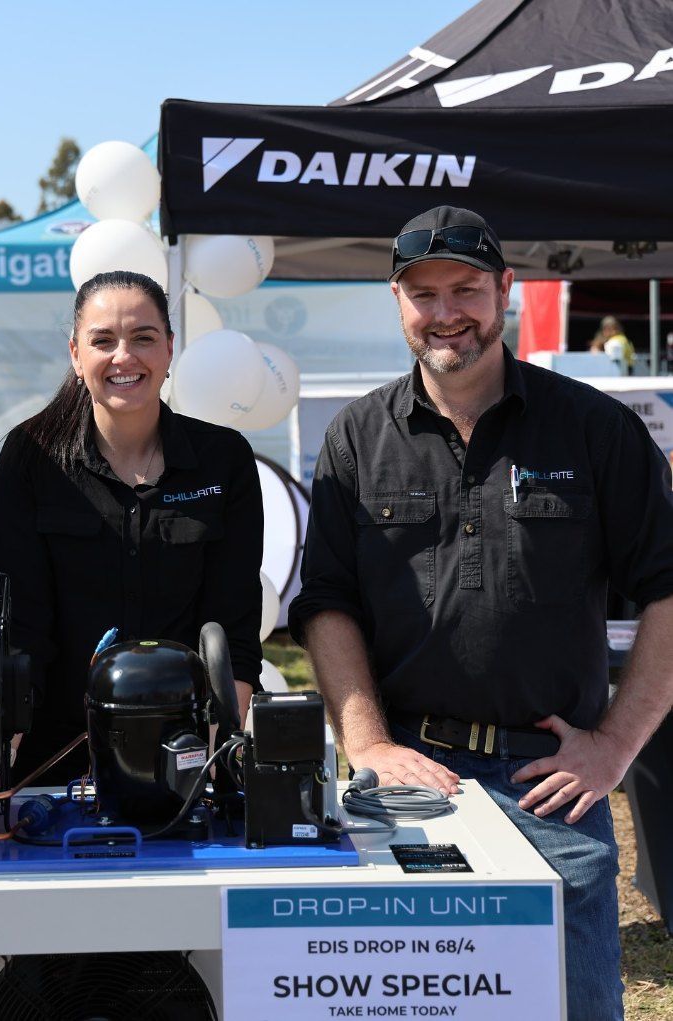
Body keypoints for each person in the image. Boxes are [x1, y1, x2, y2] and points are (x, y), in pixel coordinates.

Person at [288, 206, 673, 1021]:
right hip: (407, 788)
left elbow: (669, 589)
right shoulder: (357, 438)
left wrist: (613, 746)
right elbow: (326, 604)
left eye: (465, 287)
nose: (445, 312)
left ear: (505, 288)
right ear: (396, 302)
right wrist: (366, 744)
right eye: (421, 293)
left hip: (551, 792)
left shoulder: (594, 429)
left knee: (571, 1008)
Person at [0, 270, 263, 785]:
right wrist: (5, 756)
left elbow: (234, 627)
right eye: (102, 341)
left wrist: (213, 756)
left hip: (186, 755)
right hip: (57, 761)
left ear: (170, 349)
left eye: (143, 338)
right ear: (75, 354)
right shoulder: (32, 458)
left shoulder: (224, 459)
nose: (123, 357)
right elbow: (19, 626)